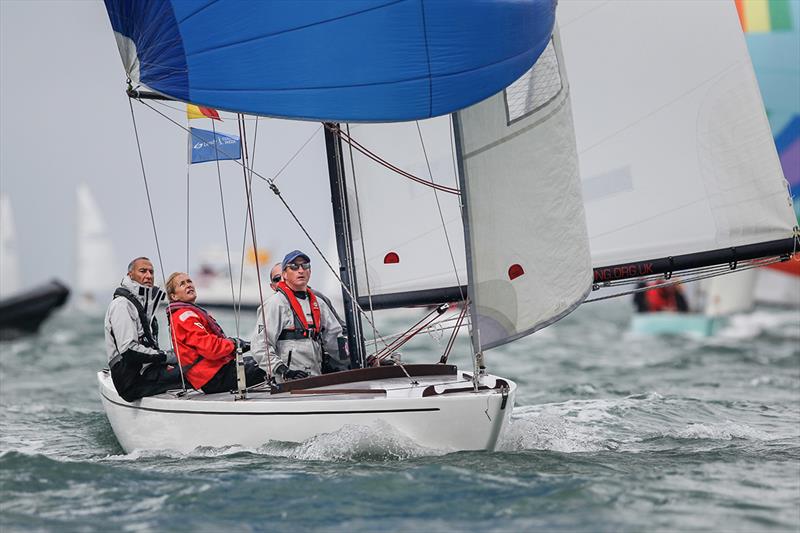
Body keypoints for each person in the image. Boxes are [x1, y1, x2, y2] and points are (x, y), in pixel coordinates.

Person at [251, 250, 349, 381]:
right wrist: (283, 370)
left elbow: (335, 341)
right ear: (284, 274)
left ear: (310, 272)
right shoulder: (275, 304)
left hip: (315, 378)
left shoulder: (319, 304)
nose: (301, 270)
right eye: (294, 267)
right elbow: (260, 345)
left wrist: (359, 360)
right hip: (287, 382)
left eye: (305, 266)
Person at [165, 272, 266, 394]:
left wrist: (238, 344)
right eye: (182, 284)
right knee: (268, 365)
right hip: (213, 377)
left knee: (261, 359)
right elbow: (210, 348)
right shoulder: (185, 317)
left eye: (189, 281)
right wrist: (234, 344)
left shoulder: (187, 314)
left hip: (216, 372)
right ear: (174, 296)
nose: (188, 285)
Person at [104, 257, 183, 402]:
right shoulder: (122, 305)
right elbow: (129, 350)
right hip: (131, 381)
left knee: (193, 366)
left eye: (151, 272)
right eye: (143, 271)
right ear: (130, 275)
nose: (149, 276)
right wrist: (168, 356)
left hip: (145, 372)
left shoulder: (144, 305)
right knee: (192, 372)